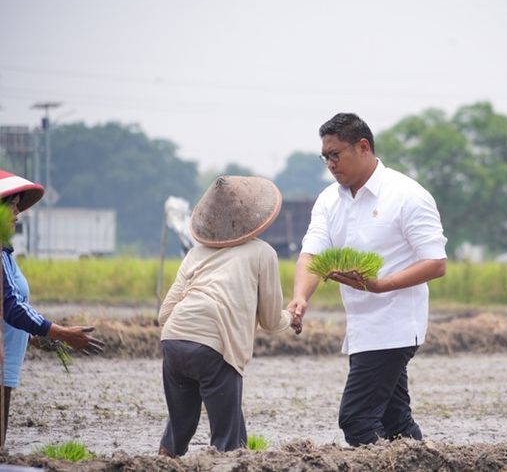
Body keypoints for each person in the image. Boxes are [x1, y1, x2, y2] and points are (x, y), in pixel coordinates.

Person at [287, 113, 448, 446]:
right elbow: (312, 253)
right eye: (325, 157)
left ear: (363, 147)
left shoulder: (407, 195)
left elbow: (436, 263)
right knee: (395, 420)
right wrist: (301, 297)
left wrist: (381, 285)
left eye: (336, 154)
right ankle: (426, 463)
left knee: (356, 418)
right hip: (361, 327)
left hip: (396, 324)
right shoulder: (329, 200)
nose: (330, 164)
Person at [158, 175, 302, 457]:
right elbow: (272, 320)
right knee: (227, 439)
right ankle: (232, 460)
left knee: (181, 421)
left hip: (173, 340)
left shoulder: (196, 252)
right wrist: (291, 318)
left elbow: (165, 312)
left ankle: (162, 460)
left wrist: (186, 334)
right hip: (216, 347)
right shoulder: (263, 252)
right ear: (256, 218)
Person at [0, 168, 105, 448]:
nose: (17, 213)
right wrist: (61, 333)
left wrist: (32, 337)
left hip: (6, 364)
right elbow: (12, 305)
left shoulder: (6, 254)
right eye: (11, 205)